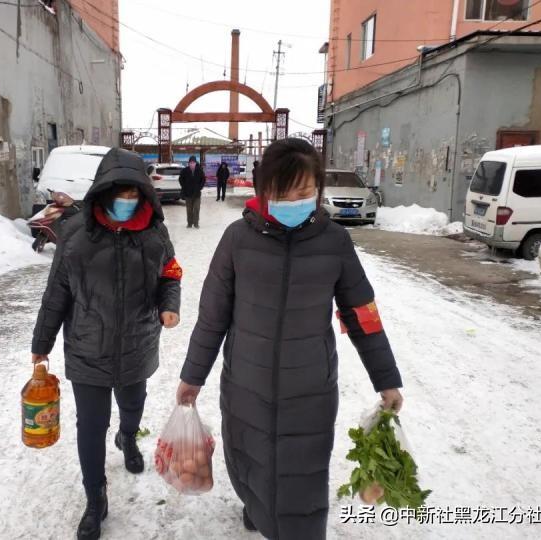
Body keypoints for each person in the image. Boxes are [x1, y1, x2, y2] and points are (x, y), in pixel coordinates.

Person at [176, 138, 403, 539]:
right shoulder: (237, 240)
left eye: (305, 192)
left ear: (317, 190)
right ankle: (257, 509)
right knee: (250, 465)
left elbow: (362, 314)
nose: (296, 201)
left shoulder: (334, 241)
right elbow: (212, 317)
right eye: (284, 193)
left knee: (303, 482)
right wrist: (193, 377)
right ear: (265, 191)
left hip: (309, 389)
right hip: (247, 383)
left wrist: (386, 379)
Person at [31, 148, 182, 540]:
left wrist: (169, 306)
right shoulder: (76, 235)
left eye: (135, 195)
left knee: (133, 404)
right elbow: (57, 292)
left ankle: (128, 436)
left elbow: (171, 274)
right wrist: (41, 341)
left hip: (138, 340)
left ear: (144, 196)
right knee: (90, 425)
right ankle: (95, 499)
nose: (127, 202)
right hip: (87, 346)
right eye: (120, 193)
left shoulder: (155, 234)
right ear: (103, 191)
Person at [178, 155, 206, 228]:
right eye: (191, 162)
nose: (192, 164)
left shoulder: (199, 170)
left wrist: (200, 187)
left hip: (197, 194)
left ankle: (196, 223)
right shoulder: (185, 171)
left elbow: (203, 179)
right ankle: (189, 223)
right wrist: (184, 187)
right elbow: (180, 179)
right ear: (188, 163)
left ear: (195, 163)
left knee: (196, 209)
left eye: (193, 162)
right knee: (189, 210)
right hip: (188, 194)